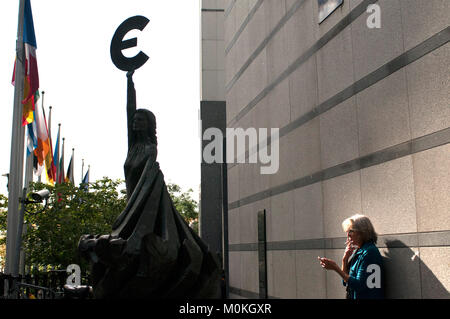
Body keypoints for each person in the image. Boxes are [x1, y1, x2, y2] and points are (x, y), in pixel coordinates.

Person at [78, 70, 222, 299]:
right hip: (131, 205)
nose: (135, 123)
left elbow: (149, 183)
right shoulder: (132, 147)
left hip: (147, 207)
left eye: (140, 120)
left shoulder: (149, 150)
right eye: (135, 120)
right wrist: (129, 83)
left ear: (148, 125)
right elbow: (128, 111)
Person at [318, 214, 384, 299]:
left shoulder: (369, 252)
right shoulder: (360, 251)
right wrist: (345, 259)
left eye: (351, 231)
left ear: (362, 232)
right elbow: (346, 282)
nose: (348, 236)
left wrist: (335, 268)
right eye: (347, 232)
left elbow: (359, 285)